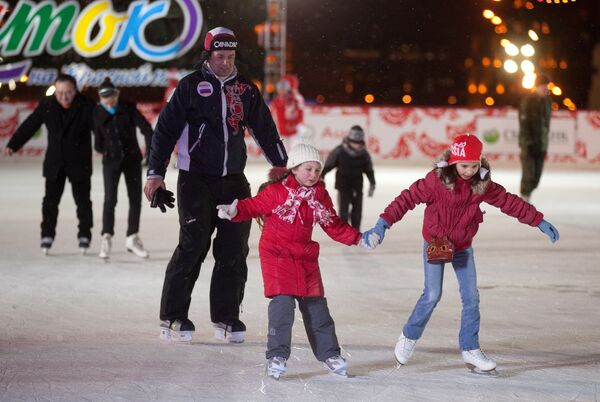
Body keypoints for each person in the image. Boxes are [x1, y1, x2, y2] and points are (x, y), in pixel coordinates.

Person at [363, 133, 560, 374]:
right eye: (464, 165)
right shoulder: (435, 181)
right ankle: (409, 336)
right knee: (432, 294)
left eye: (474, 165)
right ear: (454, 161)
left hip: (462, 246)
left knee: (471, 297)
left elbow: (509, 202)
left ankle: (470, 348)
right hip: (435, 243)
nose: (468, 171)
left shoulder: (482, 185)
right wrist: (383, 223)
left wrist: (538, 220)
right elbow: (406, 199)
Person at [143, 27, 288, 343]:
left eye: (230, 56)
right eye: (219, 56)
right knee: (194, 244)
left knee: (234, 249)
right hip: (195, 179)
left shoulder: (246, 90)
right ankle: (173, 315)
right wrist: (155, 173)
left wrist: (280, 165)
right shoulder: (190, 87)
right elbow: (165, 131)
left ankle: (226, 317)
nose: (225, 62)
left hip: (234, 181)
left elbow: (264, 126)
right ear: (208, 56)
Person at [216, 143, 375, 379]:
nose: (312, 175)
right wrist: (234, 211)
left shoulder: (319, 195)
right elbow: (254, 206)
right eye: (307, 169)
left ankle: (330, 354)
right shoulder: (277, 191)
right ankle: (277, 355)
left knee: (317, 308)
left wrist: (359, 239)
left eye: (317, 171)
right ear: (294, 169)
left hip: (305, 256)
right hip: (277, 255)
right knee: (282, 307)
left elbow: (333, 225)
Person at [3, 74, 94, 254]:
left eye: (68, 92)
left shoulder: (86, 105)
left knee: (83, 202)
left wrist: (106, 147)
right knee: (50, 203)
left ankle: (84, 234)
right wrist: (14, 144)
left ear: (75, 90)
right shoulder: (47, 105)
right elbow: (30, 125)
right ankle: (47, 235)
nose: (64, 97)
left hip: (79, 162)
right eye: (60, 93)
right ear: (55, 91)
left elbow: (100, 128)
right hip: (55, 162)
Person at [93, 77, 154, 259]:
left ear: (116, 94)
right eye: (104, 96)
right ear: (100, 98)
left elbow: (147, 129)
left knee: (135, 198)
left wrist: (149, 154)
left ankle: (132, 237)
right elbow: (97, 142)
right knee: (110, 199)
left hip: (132, 160)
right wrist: (106, 150)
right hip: (111, 162)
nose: (108, 99)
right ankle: (106, 236)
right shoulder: (97, 113)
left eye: (110, 95)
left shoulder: (127, 108)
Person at [321, 125, 376, 230]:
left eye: (358, 143)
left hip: (357, 186)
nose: (356, 146)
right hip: (343, 186)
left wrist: (372, 183)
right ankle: (344, 231)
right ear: (348, 140)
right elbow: (329, 165)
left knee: (357, 211)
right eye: (353, 142)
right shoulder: (339, 151)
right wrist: (322, 175)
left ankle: (356, 230)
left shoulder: (364, 154)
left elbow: (369, 170)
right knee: (343, 211)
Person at [518, 74, 551, 202]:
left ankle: (527, 194)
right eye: (543, 86)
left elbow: (546, 124)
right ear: (537, 87)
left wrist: (543, 141)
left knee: (537, 176)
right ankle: (524, 199)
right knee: (529, 173)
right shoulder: (528, 101)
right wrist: (528, 142)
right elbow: (524, 123)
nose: (545, 89)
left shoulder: (548, 101)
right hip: (528, 144)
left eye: (547, 86)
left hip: (542, 143)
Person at [270, 74, 305, 150]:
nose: (281, 90)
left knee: (296, 151)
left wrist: (293, 123)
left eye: (284, 87)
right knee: (284, 153)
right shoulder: (277, 101)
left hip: (295, 132)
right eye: (280, 87)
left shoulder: (296, 99)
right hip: (282, 132)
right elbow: (272, 116)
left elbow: (300, 113)